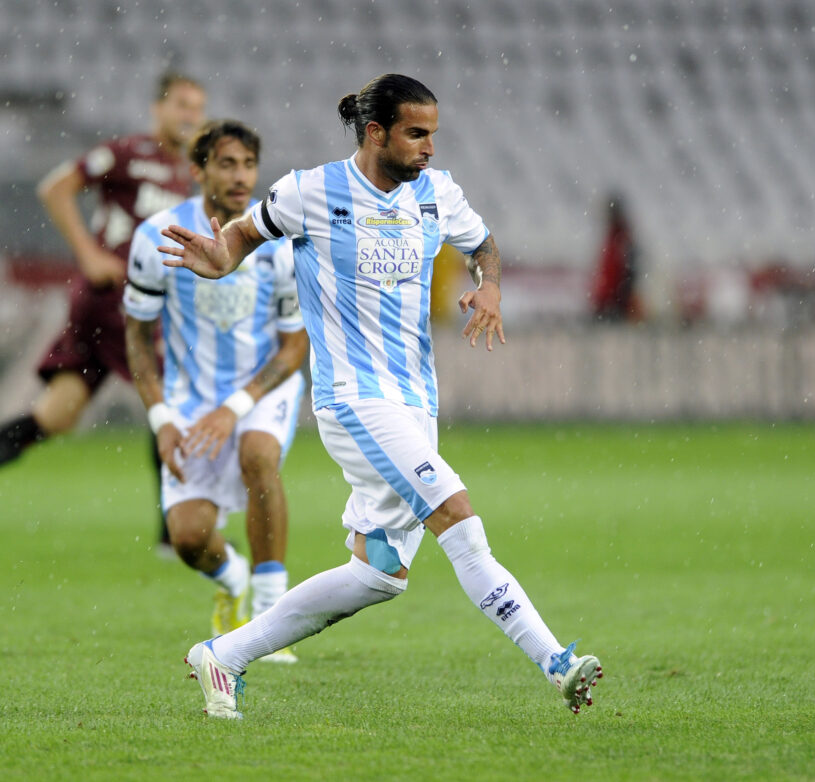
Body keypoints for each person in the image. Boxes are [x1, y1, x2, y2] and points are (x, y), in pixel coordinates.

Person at [159, 74, 603, 719]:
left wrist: (491, 286)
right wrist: (219, 256)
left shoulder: (437, 193)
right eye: (416, 134)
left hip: (415, 400)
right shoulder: (310, 191)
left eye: (433, 135)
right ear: (376, 133)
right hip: (353, 399)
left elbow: (484, 245)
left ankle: (222, 655)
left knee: (379, 574)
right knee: (457, 514)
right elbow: (243, 237)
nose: (428, 148)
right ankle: (556, 661)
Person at [125, 119, 309, 661]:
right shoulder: (157, 236)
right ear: (197, 169)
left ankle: (271, 622)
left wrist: (234, 409)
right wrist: (161, 421)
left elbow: (294, 348)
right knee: (187, 539)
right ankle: (234, 580)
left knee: (259, 456)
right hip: (189, 398)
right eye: (226, 163)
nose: (240, 176)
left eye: (248, 164)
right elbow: (137, 338)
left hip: (260, 387)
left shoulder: (277, 242)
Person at [0, 72, 207, 553]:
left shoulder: (191, 173)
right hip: (111, 299)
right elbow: (56, 188)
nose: (189, 116)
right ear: (158, 108)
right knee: (169, 403)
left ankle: (171, 532)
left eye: (196, 108)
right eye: (180, 105)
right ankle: (172, 536)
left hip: (130, 304)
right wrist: (89, 255)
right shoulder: (127, 154)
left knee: (55, 416)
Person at [590, 193, 641, 321]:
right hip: (608, 301)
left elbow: (629, 273)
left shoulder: (621, 238)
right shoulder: (615, 236)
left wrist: (620, 299)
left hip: (614, 303)